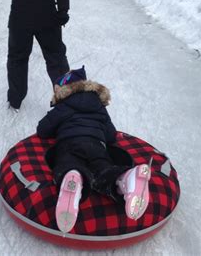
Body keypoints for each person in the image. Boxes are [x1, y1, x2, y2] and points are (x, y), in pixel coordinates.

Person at [37, 66, 151, 233]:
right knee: (103, 170)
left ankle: (72, 177)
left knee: (67, 163)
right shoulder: (99, 106)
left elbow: (43, 130)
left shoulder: (64, 106)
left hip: (70, 143)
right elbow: (111, 135)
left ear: (64, 90)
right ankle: (124, 178)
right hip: (97, 146)